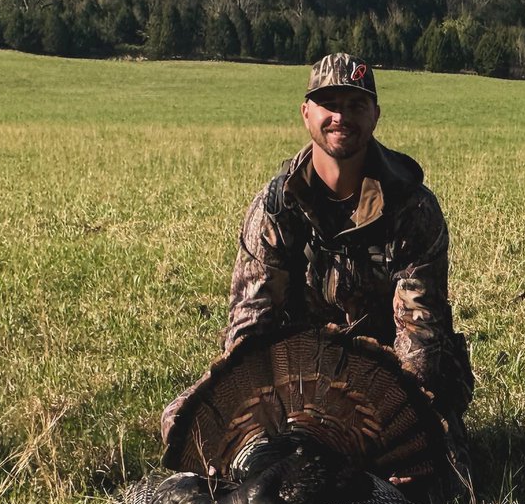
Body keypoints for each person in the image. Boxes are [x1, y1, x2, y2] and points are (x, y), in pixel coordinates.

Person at [166, 52, 473, 443]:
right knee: (183, 423)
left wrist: (397, 427)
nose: (341, 117)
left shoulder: (412, 208)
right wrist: (258, 418)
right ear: (306, 113)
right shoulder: (276, 208)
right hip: (297, 377)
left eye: (355, 104)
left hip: (386, 380)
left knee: (435, 468)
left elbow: (419, 341)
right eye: (329, 104)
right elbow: (249, 330)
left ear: (375, 115)